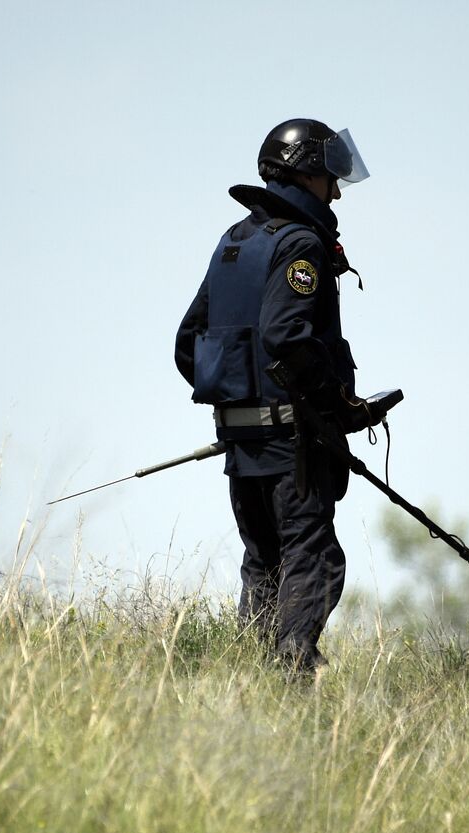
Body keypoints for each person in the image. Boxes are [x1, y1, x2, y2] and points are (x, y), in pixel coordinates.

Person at [174, 118, 371, 675]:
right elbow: (285, 336)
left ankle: (253, 677)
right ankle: (292, 670)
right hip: (291, 444)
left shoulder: (234, 242)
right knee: (313, 558)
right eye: (329, 177)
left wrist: (240, 408)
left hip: (242, 443)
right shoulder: (301, 245)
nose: (335, 191)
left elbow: (188, 346)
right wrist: (332, 403)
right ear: (305, 173)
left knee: (263, 563)